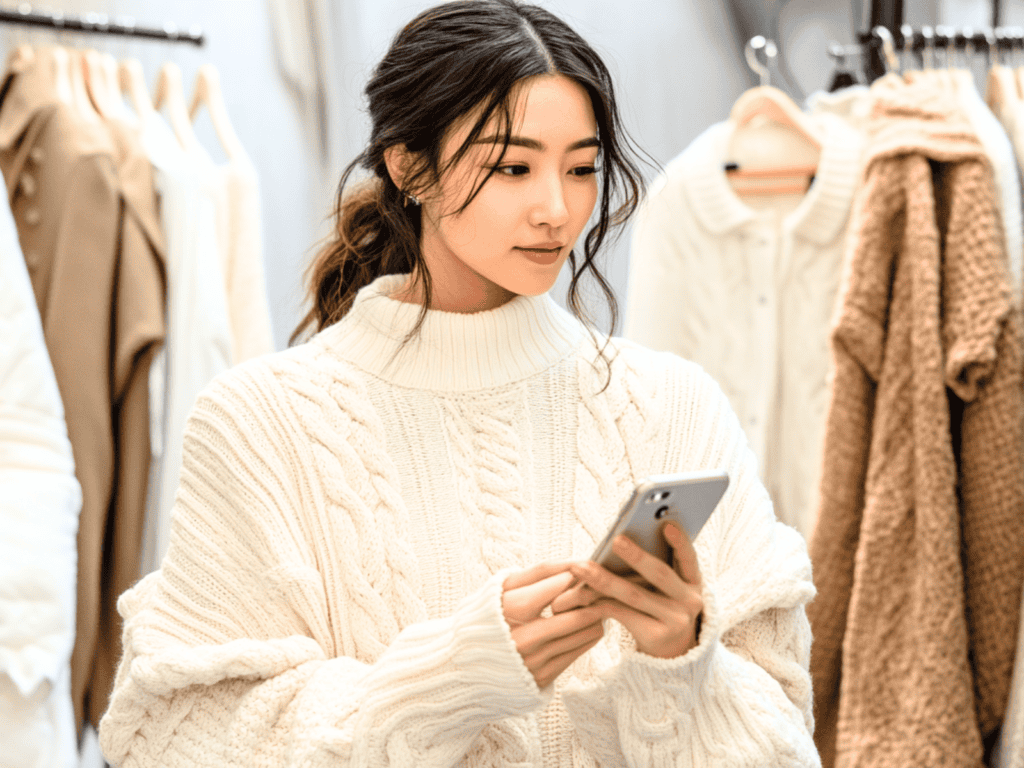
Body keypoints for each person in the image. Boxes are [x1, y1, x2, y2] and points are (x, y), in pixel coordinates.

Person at [97, 1, 820, 765]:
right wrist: (454, 675)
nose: (557, 210)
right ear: (409, 167)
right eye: (514, 167)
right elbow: (177, 736)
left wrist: (677, 659)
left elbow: (783, 738)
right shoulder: (259, 423)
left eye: (581, 169)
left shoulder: (676, 408)